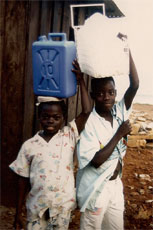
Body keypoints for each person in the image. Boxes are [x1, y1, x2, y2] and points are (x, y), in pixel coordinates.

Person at [9, 59, 91, 230]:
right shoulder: (29, 145)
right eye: (46, 117)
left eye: (56, 117)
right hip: (36, 209)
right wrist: (18, 212)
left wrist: (80, 80)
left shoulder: (69, 135)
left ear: (63, 118)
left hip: (61, 207)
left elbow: (87, 111)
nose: (50, 121)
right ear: (39, 117)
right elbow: (22, 180)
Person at [76, 49, 139, 230]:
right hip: (96, 188)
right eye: (101, 93)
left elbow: (135, 85)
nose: (107, 97)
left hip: (114, 185)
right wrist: (119, 134)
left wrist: (127, 49)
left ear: (115, 93)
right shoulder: (90, 122)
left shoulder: (119, 111)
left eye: (111, 92)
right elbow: (96, 161)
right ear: (93, 95)